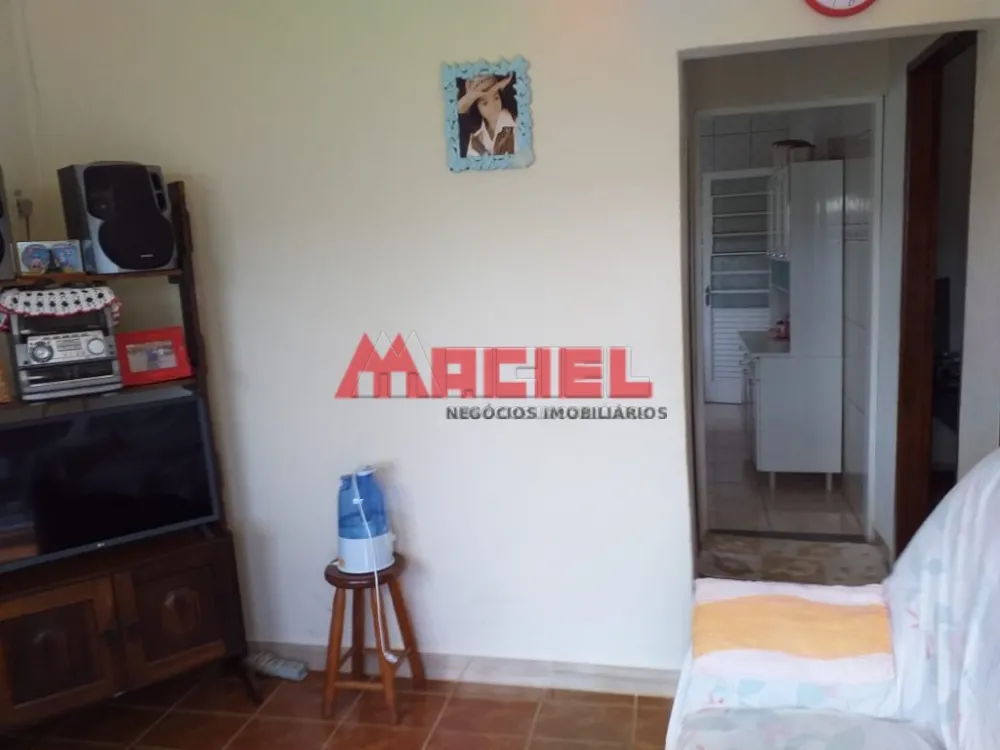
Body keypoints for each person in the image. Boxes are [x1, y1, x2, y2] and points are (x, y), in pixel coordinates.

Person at [457, 74, 517, 157]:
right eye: (485, 103)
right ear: (477, 107)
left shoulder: (518, 124)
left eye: (496, 98)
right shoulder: (475, 138)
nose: (493, 107)